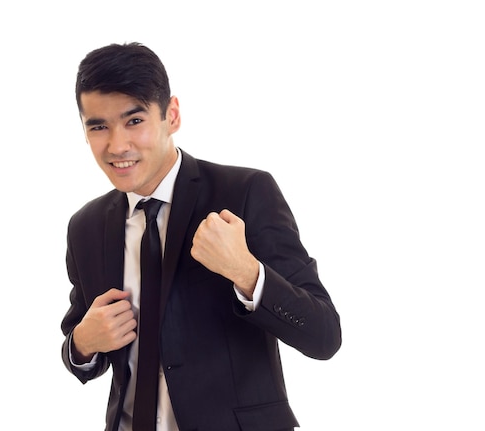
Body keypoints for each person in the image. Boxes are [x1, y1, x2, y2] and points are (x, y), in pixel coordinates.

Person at [60, 42, 341, 431]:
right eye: (98, 126)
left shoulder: (244, 192)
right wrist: (82, 344)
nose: (117, 145)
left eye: (134, 121)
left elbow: (324, 335)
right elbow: (80, 337)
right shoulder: (85, 226)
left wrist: (247, 272)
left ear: (171, 115)